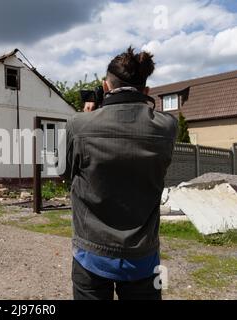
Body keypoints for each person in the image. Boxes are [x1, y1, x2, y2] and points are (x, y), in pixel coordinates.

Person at [63, 47, 178, 300]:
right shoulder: (168, 126)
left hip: (90, 251)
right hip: (143, 255)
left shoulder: (78, 125)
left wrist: (88, 117)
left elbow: (67, 172)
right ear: (146, 92)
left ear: (105, 87)